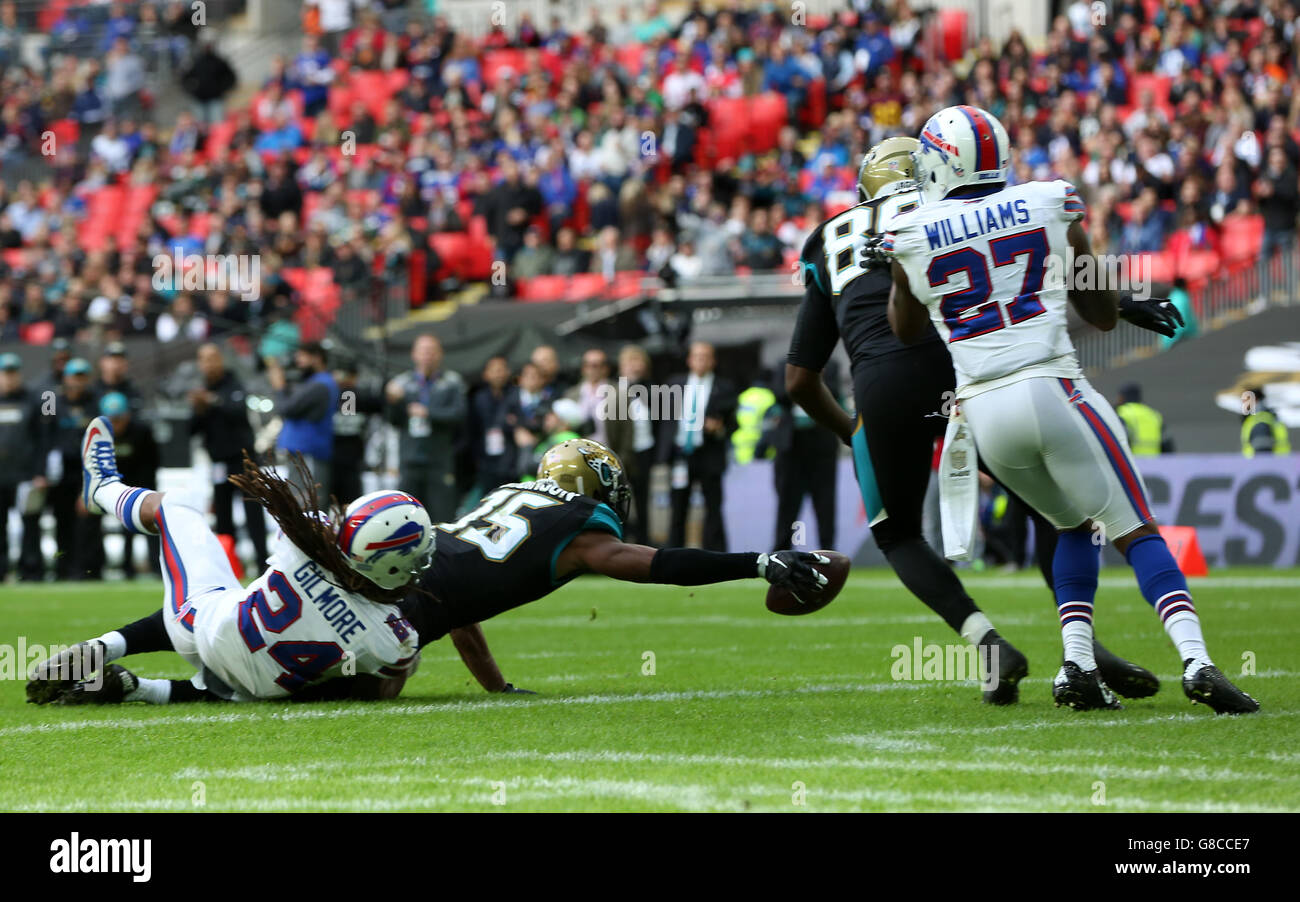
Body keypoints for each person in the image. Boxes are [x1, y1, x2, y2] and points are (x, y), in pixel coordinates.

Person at [883, 104, 1254, 713]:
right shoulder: (1050, 200)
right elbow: (1101, 314)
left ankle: (1077, 667)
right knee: (1135, 527)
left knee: (1073, 526)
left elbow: (904, 329)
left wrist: (899, 264)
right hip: (1053, 388)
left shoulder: (911, 233)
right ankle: (1198, 661)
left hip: (985, 415)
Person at [788, 135, 1156, 704]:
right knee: (1051, 510)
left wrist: (851, 431)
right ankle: (1083, 649)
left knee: (898, 532)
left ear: (865, 189)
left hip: (882, 387)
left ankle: (987, 645)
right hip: (964, 367)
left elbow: (798, 379)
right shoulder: (953, 209)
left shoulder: (825, 238)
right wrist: (1125, 304)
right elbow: (1021, 276)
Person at [27, 418, 430, 706]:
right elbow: (384, 686)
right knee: (344, 675)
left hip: (203, 628)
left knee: (179, 509)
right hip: (257, 689)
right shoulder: (394, 642)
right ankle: (139, 687)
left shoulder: (307, 537)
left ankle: (103, 490)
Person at [390, 439, 834, 693]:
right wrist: (758, 564)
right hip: (406, 615)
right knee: (380, 680)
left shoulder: (507, 494)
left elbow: (459, 608)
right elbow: (659, 564)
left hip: (398, 570)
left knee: (382, 664)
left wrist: (498, 688)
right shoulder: (580, 526)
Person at [189, 343, 268, 567]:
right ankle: (229, 564)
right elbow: (192, 430)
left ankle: (263, 563)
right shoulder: (201, 392)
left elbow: (237, 411)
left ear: (220, 361)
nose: (208, 364)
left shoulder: (234, 385)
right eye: (203, 359)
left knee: (253, 513)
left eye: (212, 358)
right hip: (218, 462)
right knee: (223, 516)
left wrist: (212, 402)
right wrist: (198, 410)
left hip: (243, 460)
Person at [663, 342, 736, 552]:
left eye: (706, 356)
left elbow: (734, 422)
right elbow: (663, 421)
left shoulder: (725, 387)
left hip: (709, 454)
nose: (701, 360)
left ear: (713, 361)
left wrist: (719, 427)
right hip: (681, 454)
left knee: (713, 508)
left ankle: (716, 556)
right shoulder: (673, 385)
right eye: (697, 356)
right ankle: (673, 556)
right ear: (689, 360)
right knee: (677, 509)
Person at [385, 334, 466, 522]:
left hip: (439, 460)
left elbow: (459, 415)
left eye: (432, 351)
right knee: (406, 515)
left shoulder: (452, 382)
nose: (427, 355)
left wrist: (428, 413)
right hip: (409, 459)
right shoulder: (402, 383)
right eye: (423, 351)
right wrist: (392, 402)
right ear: (414, 354)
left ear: (440, 354)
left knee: (441, 515)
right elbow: (392, 420)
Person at [37, 358, 100, 580]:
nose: (78, 381)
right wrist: (42, 471)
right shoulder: (51, 398)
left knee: (88, 522)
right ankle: (63, 569)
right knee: (61, 520)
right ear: (65, 378)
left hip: (87, 468)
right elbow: (43, 435)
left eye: (82, 377)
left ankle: (88, 570)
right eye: (74, 376)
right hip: (59, 470)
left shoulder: (95, 400)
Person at [98, 392, 160, 579]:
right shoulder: (100, 436)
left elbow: (152, 462)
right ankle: (122, 568)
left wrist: (142, 493)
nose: (116, 425)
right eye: (112, 420)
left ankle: (157, 567)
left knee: (150, 524)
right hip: (114, 487)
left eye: (119, 419)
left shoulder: (142, 432)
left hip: (142, 485)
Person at [267, 342, 338, 500]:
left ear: (317, 358)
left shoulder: (320, 384)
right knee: (301, 501)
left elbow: (287, 408)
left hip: (309, 454)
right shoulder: (313, 382)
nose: (298, 361)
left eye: (302, 356)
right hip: (302, 453)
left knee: (308, 504)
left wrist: (279, 386)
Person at [0, 353, 42, 582]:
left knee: (30, 526)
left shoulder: (33, 400)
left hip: (26, 475)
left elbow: (42, 439)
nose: (9, 378)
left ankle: (31, 571)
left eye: (13, 373)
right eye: (6, 373)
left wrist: (40, 472)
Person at [330, 357, 383, 506]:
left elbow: (381, 404)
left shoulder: (359, 396)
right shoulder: (328, 393)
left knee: (350, 503)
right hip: (330, 459)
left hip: (352, 459)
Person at [467, 355, 517, 500]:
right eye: (494, 370)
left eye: (501, 370)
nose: (498, 374)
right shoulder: (479, 398)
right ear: (486, 374)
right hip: (486, 458)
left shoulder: (515, 395)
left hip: (510, 458)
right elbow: (473, 429)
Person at [1115, 383, 1170, 456]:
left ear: (1122, 397)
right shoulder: (1154, 415)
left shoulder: (1121, 412)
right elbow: (1167, 445)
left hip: (1133, 462)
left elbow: (1119, 441)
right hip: (1155, 463)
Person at [1240, 385, 1292, 457]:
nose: (1243, 403)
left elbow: (1262, 446)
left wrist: (1261, 464)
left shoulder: (1259, 418)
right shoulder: (1269, 415)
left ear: (1255, 399)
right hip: (1277, 461)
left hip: (1265, 463)